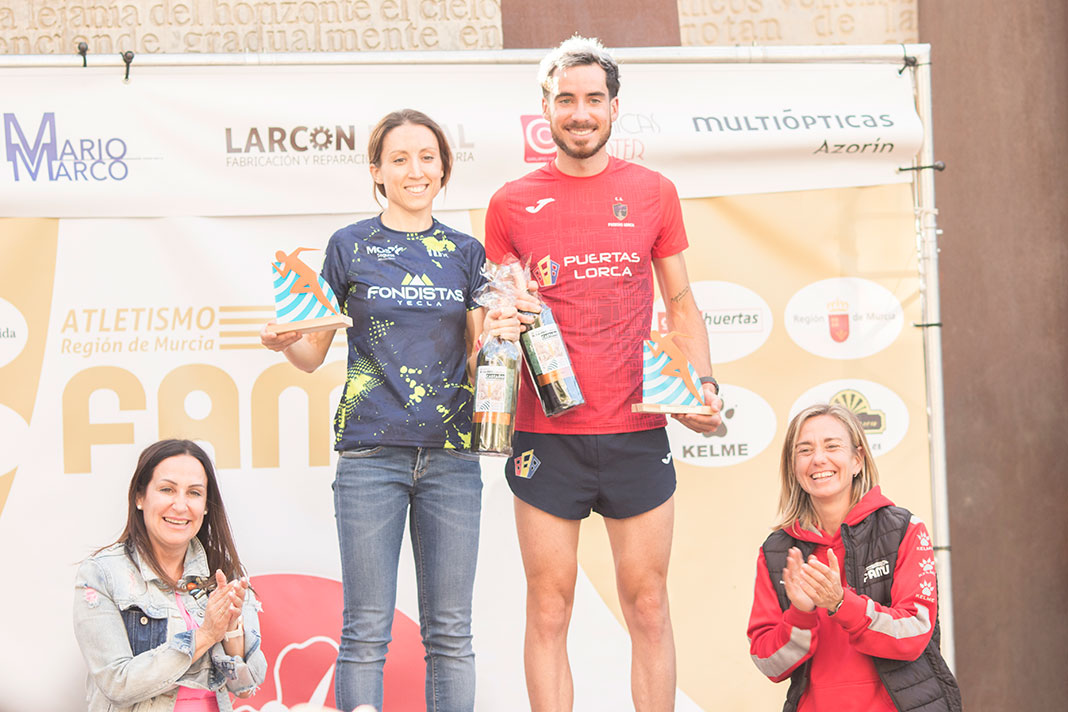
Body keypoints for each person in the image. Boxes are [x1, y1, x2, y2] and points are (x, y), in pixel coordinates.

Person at [483, 36, 724, 712]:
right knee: (549, 607)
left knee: (647, 604)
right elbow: (494, 319)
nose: (580, 112)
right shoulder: (510, 203)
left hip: (636, 427)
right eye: (566, 99)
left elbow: (681, 302)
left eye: (593, 99)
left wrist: (703, 387)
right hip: (544, 431)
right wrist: (497, 320)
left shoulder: (653, 192)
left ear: (615, 108)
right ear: (546, 110)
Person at [260, 109, 523, 712]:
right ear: (377, 171)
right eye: (399, 159)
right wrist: (285, 342)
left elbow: (479, 359)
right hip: (370, 455)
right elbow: (311, 353)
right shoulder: (349, 246)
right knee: (365, 632)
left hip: (452, 459)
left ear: (444, 168)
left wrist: (502, 334)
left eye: (427, 158)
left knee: (450, 634)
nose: (415, 171)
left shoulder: (466, 252)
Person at [747, 404, 961, 712]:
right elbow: (768, 662)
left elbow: (914, 633)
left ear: (857, 459)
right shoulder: (776, 552)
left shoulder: (904, 530)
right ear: (793, 467)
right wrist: (800, 614)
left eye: (832, 446)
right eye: (804, 450)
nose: (818, 459)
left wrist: (840, 603)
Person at [73, 439, 266, 712]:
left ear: (206, 505)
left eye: (194, 493)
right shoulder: (102, 574)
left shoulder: (223, 571)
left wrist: (231, 629)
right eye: (167, 490)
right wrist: (205, 635)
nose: (180, 505)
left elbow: (244, 689)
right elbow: (117, 684)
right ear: (140, 497)